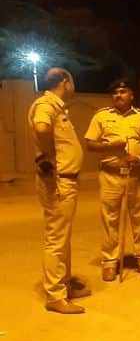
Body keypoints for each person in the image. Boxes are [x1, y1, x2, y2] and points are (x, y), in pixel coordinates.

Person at [85, 79, 140, 281]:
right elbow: (90, 144)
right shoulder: (101, 116)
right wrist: (111, 147)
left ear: (131, 95)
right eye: (115, 92)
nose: (119, 95)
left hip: (136, 174)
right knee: (110, 219)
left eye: (123, 91)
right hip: (111, 174)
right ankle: (110, 262)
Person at [28, 68, 88, 314]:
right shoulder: (46, 104)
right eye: (72, 81)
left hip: (66, 179)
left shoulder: (58, 106)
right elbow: (42, 128)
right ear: (65, 82)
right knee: (56, 239)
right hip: (58, 180)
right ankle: (55, 295)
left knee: (63, 237)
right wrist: (45, 156)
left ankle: (64, 285)